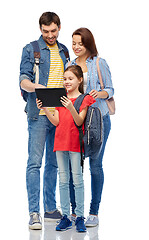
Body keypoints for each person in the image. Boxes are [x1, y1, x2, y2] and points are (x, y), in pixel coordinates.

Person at [19, 12, 69, 230]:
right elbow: (23, 81)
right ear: (41, 29)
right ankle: (34, 213)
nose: (50, 35)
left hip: (59, 116)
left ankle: (50, 209)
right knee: (34, 163)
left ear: (59, 28)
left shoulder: (65, 50)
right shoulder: (31, 49)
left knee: (53, 164)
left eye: (53, 31)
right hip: (38, 115)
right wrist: (39, 89)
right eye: (46, 31)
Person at [36, 65, 96, 232]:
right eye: (65, 79)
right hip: (60, 142)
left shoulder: (84, 99)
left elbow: (79, 122)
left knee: (77, 179)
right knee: (63, 180)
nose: (67, 82)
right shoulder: (60, 97)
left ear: (79, 80)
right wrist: (45, 109)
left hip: (75, 143)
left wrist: (70, 107)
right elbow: (56, 121)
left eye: (70, 79)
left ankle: (79, 216)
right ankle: (66, 217)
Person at [68, 28, 114, 227]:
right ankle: (75, 211)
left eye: (80, 43)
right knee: (74, 167)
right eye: (74, 43)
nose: (77, 47)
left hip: (98, 120)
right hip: (76, 120)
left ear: (88, 44)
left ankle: (93, 212)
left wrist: (99, 94)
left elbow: (110, 89)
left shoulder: (98, 63)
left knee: (95, 166)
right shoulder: (69, 65)